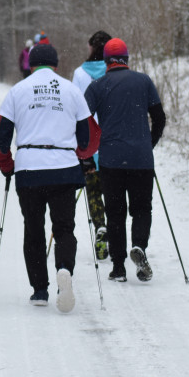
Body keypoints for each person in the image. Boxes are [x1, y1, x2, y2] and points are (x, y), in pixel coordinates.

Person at [0, 43, 100, 312]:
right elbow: (90, 134)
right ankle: (64, 269)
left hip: (29, 169)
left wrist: (6, 164)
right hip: (63, 167)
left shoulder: (18, 91)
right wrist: (82, 155)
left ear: (30, 65)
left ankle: (39, 289)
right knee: (64, 228)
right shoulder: (71, 90)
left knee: (33, 228)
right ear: (56, 64)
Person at [83, 37, 166, 282]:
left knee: (115, 213)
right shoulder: (143, 81)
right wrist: (148, 143)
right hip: (141, 159)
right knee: (141, 208)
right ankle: (139, 246)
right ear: (127, 59)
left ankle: (118, 267)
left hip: (110, 160)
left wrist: (88, 152)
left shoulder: (97, 86)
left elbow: (84, 123)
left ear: (106, 60)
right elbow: (159, 117)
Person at [72, 30, 112, 260]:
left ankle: (100, 226)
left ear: (90, 47)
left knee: (94, 190)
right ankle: (114, 231)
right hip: (112, 141)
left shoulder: (79, 73)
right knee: (114, 192)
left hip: (90, 142)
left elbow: (77, 109)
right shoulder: (114, 72)